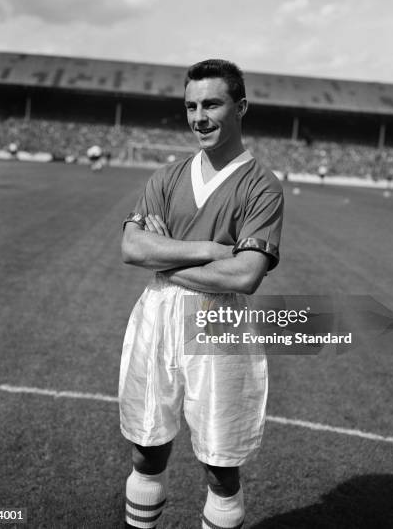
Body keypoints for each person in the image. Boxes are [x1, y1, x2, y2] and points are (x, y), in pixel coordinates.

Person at [120, 59, 284, 528]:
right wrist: (210, 250)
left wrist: (164, 253)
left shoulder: (262, 187)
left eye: (211, 103)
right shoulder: (167, 177)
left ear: (241, 107)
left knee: (220, 462)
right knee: (146, 448)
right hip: (156, 314)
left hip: (219, 322)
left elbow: (244, 276)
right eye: (191, 106)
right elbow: (132, 247)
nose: (199, 117)